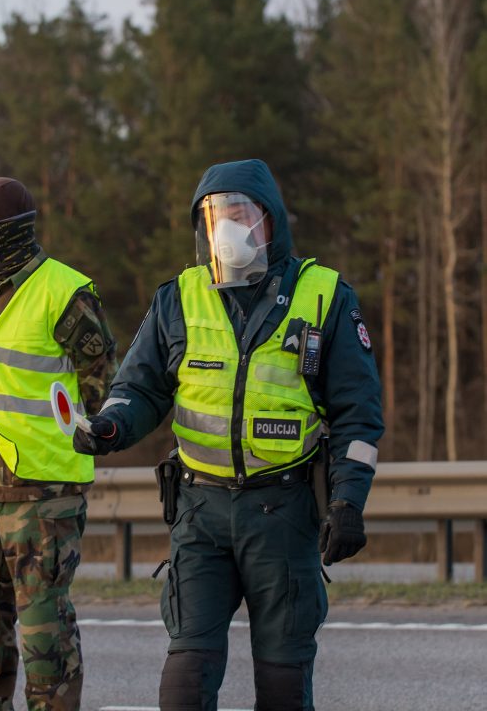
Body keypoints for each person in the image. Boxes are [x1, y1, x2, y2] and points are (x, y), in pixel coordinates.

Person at [73, 159, 383, 710]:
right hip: (201, 515)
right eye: (216, 219)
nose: (229, 229)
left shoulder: (324, 296)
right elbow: (139, 389)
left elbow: (359, 412)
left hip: (283, 513)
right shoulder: (180, 298)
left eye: (240, 215)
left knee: (284, 683)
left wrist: (347, 501)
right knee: (185, 681)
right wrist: (110, 426)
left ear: (271, 220)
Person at [0, 176, 117, 711]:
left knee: (45, 633)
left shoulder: (64, 291)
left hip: (43, 491)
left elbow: (102, 385)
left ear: (10, 230)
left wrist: (83, 445)